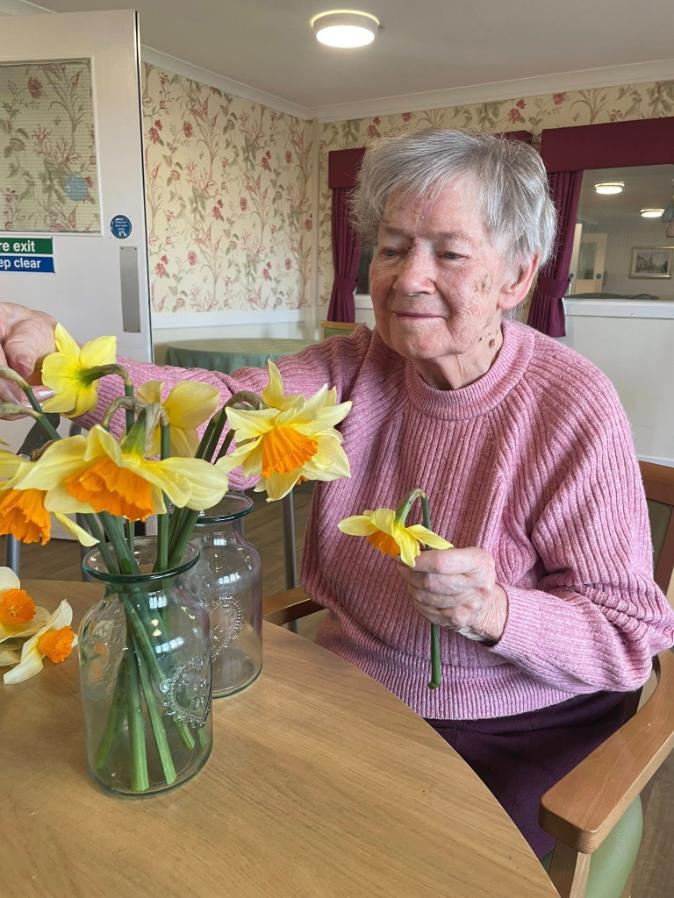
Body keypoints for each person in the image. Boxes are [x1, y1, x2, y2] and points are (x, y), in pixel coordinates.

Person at [1, 129, 673, 858]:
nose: (407, 277)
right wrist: (54, 366)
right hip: (355, 688)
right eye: (391, 247)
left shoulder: (572, 406)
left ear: (516, 277)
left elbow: (628, 638)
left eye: (448, 252)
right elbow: (224, 422)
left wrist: (496, 610)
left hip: (515, 724)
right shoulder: (354, 364)